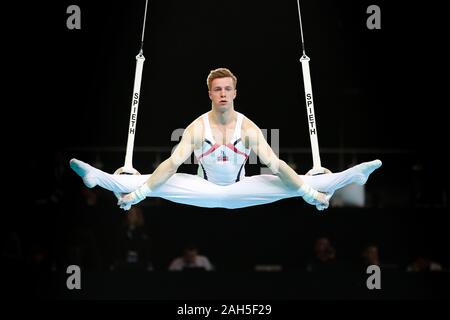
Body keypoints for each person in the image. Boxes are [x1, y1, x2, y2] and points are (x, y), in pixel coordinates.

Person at [70, 68, 382, 210]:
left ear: (234, 93)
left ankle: (354, 175)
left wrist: (308, 194)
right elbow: (171, 164)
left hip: (241, 188)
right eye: (217, 89)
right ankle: (97, 178)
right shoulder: (197, 127)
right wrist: (138, 196)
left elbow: (275, 165)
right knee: (149, 181)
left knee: (301, 183)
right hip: (202, 189)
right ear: (210, 93)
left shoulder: (248, 129)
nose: (222, 93)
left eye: (227, 89)